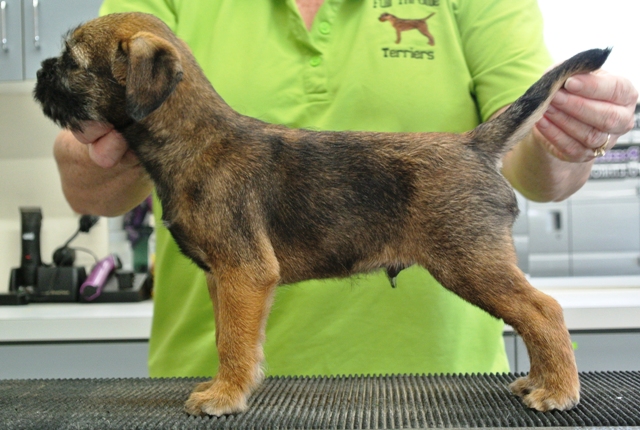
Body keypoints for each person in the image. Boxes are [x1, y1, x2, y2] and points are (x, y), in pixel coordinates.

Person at [53, 0, 637, 378]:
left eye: (74, 64)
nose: (60, 73)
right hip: (191, 381)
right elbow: (89, 187)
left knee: (500, 290)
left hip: (436, 382)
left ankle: (557, 369)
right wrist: (91, 145)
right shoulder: (149, 33)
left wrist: (572, 134)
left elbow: (538, 162)